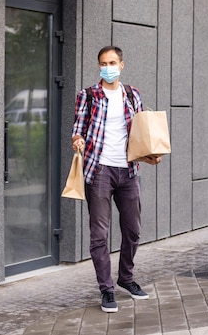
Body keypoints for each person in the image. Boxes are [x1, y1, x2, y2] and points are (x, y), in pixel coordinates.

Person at [71, 45, 161, 313]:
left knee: (132, 230)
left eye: (112, 62)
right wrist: (77, 140)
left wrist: (151, 154)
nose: (107, 67)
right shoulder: (88, 95)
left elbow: (141, 134)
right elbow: (78, 128)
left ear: (121, 65)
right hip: (99, 171)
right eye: (103, 63)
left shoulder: (133, 95)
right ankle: (106, 289)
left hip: (129, 171)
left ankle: (126, 278)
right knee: (100, 234)